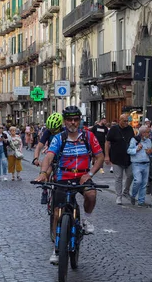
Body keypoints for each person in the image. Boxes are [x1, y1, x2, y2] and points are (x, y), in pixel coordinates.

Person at [34, 106, 103, 265]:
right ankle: (57, 250)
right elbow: (49, 157)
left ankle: (86, 220)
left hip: (83, 176)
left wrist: (90, 174)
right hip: (63, 177)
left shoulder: (89, 136)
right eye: (70, 119)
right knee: (57, 213)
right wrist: (44, 173)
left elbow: (100, 157)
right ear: (65, 121)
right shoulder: (59, 138)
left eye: (76, 119)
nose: (73, 122)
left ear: (80, 120)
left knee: (91, 195)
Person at [33, 113, 64, 204]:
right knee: (46, 172)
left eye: (54, 130)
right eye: (51, 130)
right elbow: (39, 146)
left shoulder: (65, 131)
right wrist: (36, 158)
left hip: (63, 158)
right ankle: (45, 191)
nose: (52, 132)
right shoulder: (48, 132)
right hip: (51, 157)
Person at [105, 113, 134, 205]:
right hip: (116, 157)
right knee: (118, 178)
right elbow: (107, 142)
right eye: (124, 121)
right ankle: (118, 196)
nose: (126, 123)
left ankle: (126, 191)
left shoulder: (130, 128)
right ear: (119, 120)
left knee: (130, 175)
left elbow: (133, 140)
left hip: (128, 157)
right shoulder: (114, 129)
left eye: (127, 121)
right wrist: (106, 156)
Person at [127, 126, 152, 207]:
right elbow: (129, 150)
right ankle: (133, 195)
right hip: (137, 164)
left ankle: (141, 201)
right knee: (137, 181)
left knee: (144, 184)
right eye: (147, 132)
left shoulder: (148, 141)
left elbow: (151, 153)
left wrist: (150, 153)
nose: (149, 134)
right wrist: (137, 149)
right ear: (142, 133)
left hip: (146, 163)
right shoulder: (134, 140)